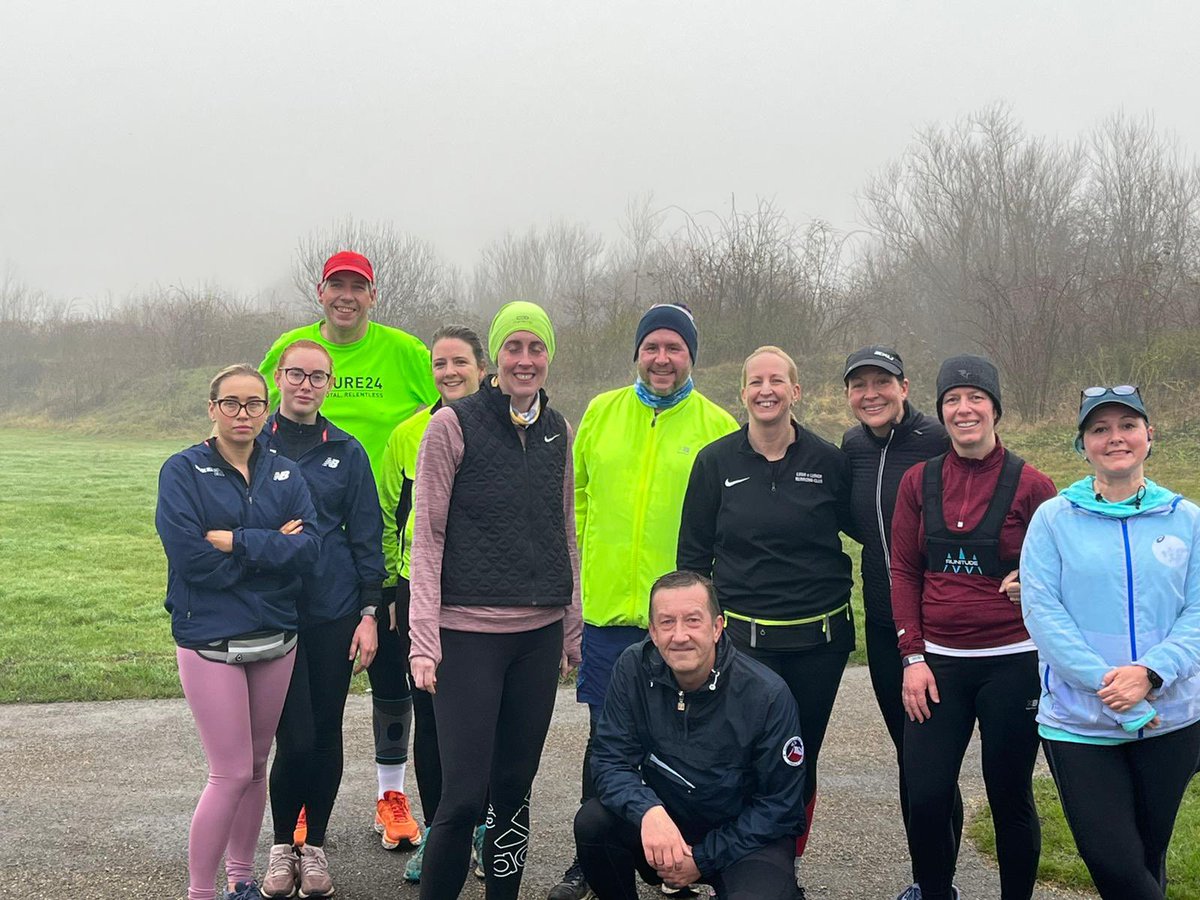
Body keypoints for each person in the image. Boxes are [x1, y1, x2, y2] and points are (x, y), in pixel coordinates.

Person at [550, 302, 737, 900]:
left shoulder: (717, 426)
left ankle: (677, 856)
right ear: (637, 352)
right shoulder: (601, 413)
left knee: (683, 739)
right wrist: (578, 590)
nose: (662, 357)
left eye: (674, 348)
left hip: (679, 622)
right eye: (652, 346)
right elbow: (574, 503)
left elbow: (728, 524)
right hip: (608, 615)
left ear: (691, 357)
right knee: (607, 738)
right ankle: (593, 855)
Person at [259, 250, 437, 846]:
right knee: (303, 718)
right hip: (313, 555)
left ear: (373, 295)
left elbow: (452, 398)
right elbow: (251, 420)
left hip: (392, 534)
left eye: (357, 287)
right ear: (320, 291)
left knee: (393, 677)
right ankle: (301, 810)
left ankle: (391, 795)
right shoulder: (291, 347)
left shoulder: (406, 351)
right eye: (337, 284)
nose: (346, 295)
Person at [408, 301, 583, 900]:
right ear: (494, 360)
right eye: (514, 348)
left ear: (548, 357)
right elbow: (426, 535)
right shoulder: (452, 426)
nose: (525, 360)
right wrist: (423, 638)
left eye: (536, 349)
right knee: (463, 796)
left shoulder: (560, 427)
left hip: (536, 637)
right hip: (467, 637)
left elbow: (565, 527)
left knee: (515, 788)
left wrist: (571, 624)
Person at [677, 345, 855, 897]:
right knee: (740, 759)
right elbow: (692, 555)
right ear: (744, 392)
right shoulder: (715, 462)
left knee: (798, 759)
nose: (766, 390)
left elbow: (871, 530)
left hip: (818, 645)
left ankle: (782, 864)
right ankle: (733, 860)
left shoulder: (830, 461)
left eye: (778, 380)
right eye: (756, 381)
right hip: (744, 644)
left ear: (796, 391)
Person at [1020, 385, 1200, 900]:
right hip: (1081, 723)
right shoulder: (1054, 519)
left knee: (1148, 855)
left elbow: (1197, 612)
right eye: (1099, 429)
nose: (1115, 437)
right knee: (1113, 862)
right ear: (1083, 445)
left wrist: (1150, 675)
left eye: (1127, 425)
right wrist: (1113, 687)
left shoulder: (1186, 519)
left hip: (1171, 719)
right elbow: (1043, 614)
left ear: (1149, 436)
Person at [889, 354, 1056, 900]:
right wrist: (912, 658)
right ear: (941, 412)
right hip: (938, 666)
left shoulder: (1033, 485)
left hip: (1012, 663)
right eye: (952, 401)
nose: (964, 409)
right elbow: (905, 570)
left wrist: (1029, 583)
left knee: (1009, 795)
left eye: (975, 398)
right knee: (928, 793)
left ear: (995, 409)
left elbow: (1060, 571)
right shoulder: (919, 481)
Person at [155, 365, 320, 900]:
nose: (243, 414)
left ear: (266, 409)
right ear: (212, 408)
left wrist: (238, 542)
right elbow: (190, 558)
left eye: (253, 404)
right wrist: (271, 548)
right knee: (227, 773)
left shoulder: (285, 473)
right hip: (210, 641)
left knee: (254, 767)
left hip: (275, 638)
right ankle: (201, 892)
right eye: (232, 403)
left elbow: (309, 551)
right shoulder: (182, 471)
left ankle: (242, 880)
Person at [576, 570, 807, 900]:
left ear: (717, 627)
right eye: (667, 623)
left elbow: (780, 807)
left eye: (693, 621)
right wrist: (648, 812)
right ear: (653, 632)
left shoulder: (767, 695)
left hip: (742, 836)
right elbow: (610, 761)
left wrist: (703, 858)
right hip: (667, 821)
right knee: (592, 822)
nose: (680, 635)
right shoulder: (632, 668)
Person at [254, 340, 386, 899]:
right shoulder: (252, 445)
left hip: (333, 614)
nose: (306, 384)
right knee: (296, 738)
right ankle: (283, 844)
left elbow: (365, 535)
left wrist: (369, 612)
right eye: (296, 374)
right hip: (271, 613)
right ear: (279, 378)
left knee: (325, 731)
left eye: (317, 376)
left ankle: (317, 848)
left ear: (330, 384)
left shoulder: (348, 452)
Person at [839, 345, 958, 900]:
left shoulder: (936, 440)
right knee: (910, 756)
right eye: (859, 385)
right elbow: (850, 519)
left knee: (928, 760)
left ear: (904, 388)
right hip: (886, 624)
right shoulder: (852, 445)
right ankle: (929, 879)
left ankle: (938, 882)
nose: (871, 394)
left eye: (881, 383)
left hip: (940, 624)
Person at [376, 324, 489, 882]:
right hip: (421, 592)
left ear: (483, 369)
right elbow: (392, 517)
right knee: (433, 718)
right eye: (440, 364)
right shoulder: (406, 435)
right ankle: (443, 836)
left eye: (460, 363)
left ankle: (486, 829)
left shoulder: (505, 427)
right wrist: (394, 590)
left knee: (488, 719)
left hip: (488, 593)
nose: (449, 372)